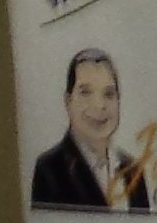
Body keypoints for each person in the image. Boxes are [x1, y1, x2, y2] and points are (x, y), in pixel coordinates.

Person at [31, 47, 149, 211]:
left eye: (109, 94)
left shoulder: (133, 170)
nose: (99, 105)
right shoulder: (51, 169)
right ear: (68, 101)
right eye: (85, 93)